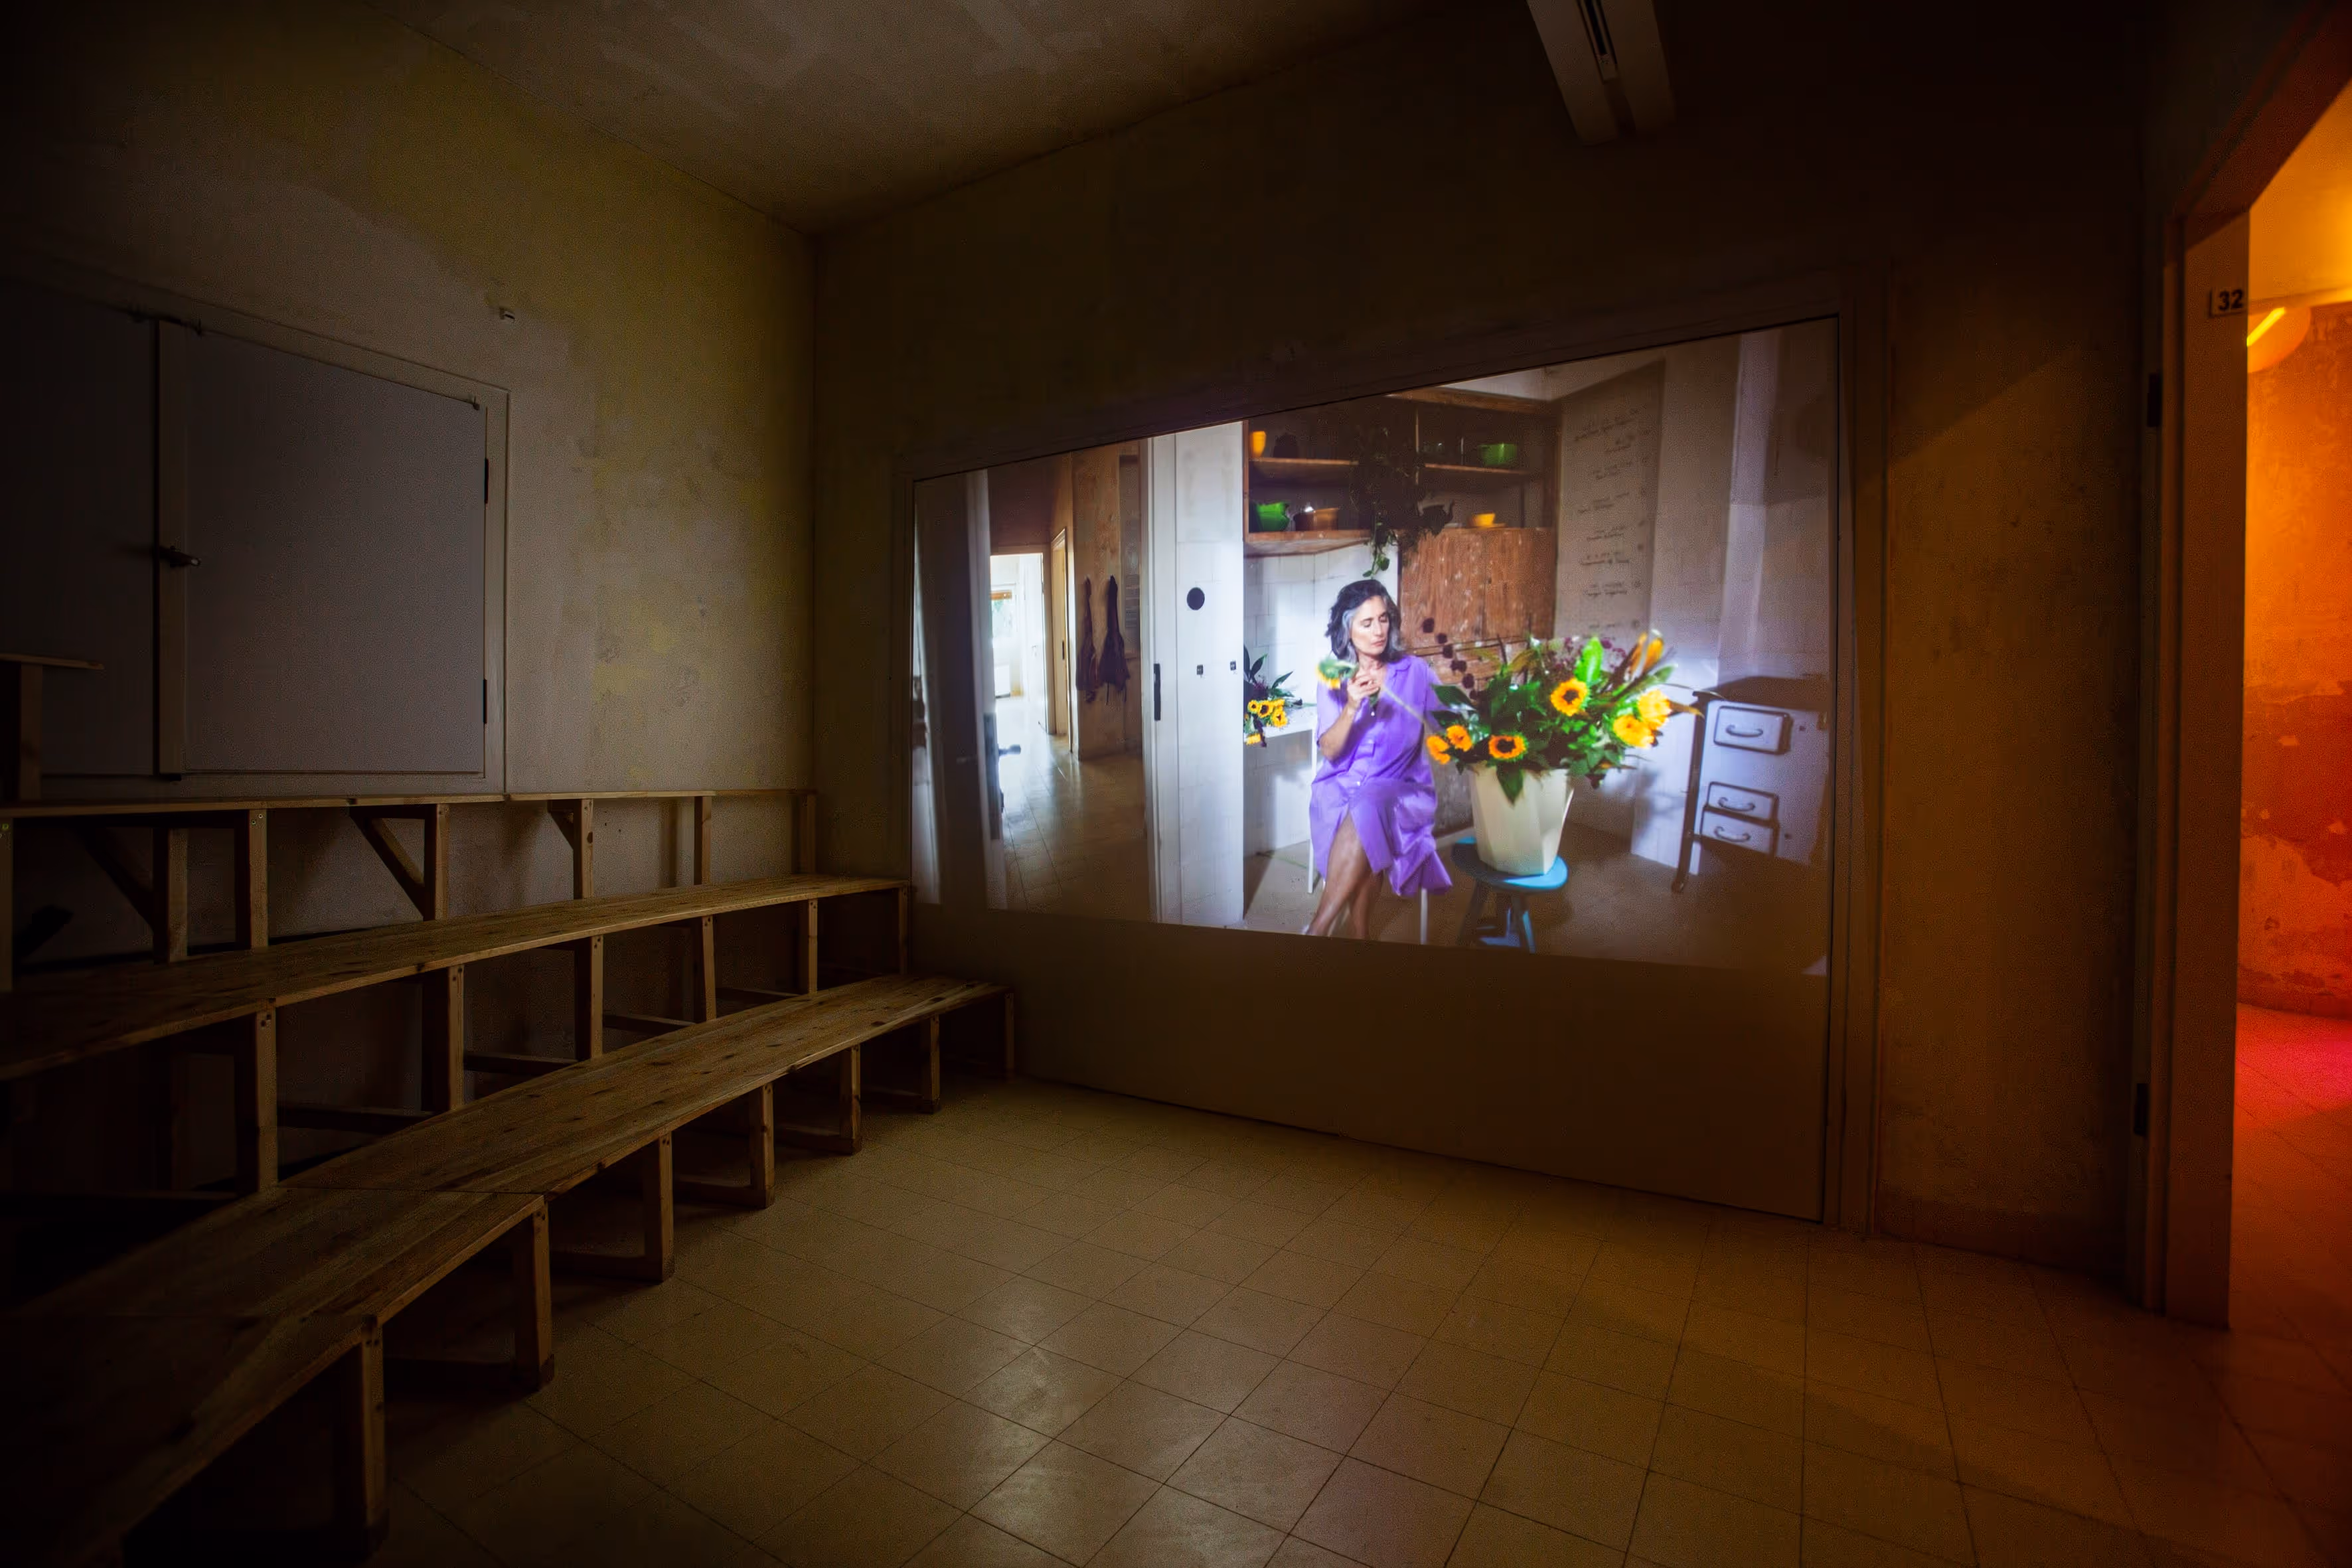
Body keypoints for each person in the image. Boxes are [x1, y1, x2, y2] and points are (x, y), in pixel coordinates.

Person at [1306, 580, 1451, 937]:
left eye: (1384, 619)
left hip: (1402, 789)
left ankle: (1318, 929)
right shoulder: (1334, 678)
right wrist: (1353, 705)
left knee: (1370, 807)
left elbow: (1450, 723)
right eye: (1366, 623)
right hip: (1340, 788)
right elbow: (1330, 751)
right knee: (1365, 809)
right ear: (1347, 630)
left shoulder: (1415, 673)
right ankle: (1361, 933)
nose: (1379, 631)